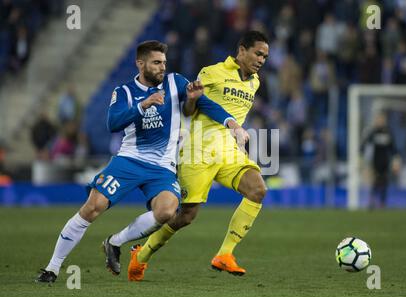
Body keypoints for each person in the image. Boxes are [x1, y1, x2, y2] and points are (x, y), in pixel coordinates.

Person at [35, 40, 248, 283]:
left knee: (168, 210)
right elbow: (112, 123)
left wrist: (232, 124)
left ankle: (115, 242)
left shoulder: (175, 82)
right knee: (93, 207)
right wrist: (142, 105)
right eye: (156, 63)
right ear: (140, 64)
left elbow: (205, 104)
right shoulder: (124, 91)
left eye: (164, 63)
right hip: (130, 160)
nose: (162, 68)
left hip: (162, 168)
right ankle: (52, 268)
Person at [105, 30, 269, 281]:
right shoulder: (212, 72)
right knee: (185, 216)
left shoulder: (254, 82)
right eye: (258, 53)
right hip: (198, 150)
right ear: (242, 50)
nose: (261, 60)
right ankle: (142, 255)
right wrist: (193, 101)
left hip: (228, 151)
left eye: (265, 57)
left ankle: (224, 254)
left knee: (257, 189)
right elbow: (189, 109)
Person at [360, 112, 401, 209]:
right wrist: (361, 158)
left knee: (384, 182)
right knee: (374, 183)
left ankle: (382, 203)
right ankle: (371, 201)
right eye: (379, 119)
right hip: (375, 161)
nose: (380, 121)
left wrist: (396, 160)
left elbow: (393, 149)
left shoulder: (388, 133)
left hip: (385, 161)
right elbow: (363, 145)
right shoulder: (373, 132)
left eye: (382, 119)